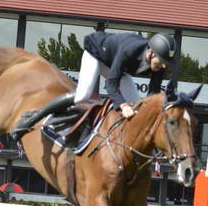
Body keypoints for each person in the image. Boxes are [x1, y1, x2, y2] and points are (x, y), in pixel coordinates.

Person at [12, 31, 177, 139]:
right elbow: (111, 83)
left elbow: (153, 93)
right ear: (151, 52)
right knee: (83, 94)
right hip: (96, 54)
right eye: (161, 62)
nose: (163, 67)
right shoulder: (130, 50)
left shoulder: (159, 64)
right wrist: (122, 105)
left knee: (138, 105)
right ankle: (33, 116)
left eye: (165, 63)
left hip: (112, 63)